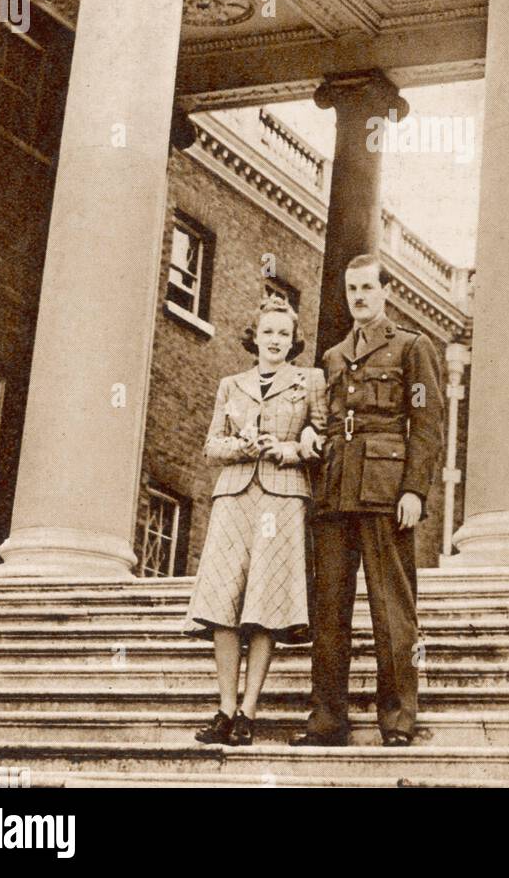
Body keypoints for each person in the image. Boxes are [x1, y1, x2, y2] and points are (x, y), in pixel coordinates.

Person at [290, 254, 445, 747]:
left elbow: (427, 425)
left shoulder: (412, 348)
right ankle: (326, 720)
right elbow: (328, 418)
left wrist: (415, 490)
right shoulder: (334, 357)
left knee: (392, 609)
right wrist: (314, 435)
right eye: (351, 289)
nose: (358, 297)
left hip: (385, 491)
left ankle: (398, 719)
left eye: (366, 288)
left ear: (384, 292)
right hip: (336, 489)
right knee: (329, 608)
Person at [186, 293, 326, 746]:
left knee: (264, 604)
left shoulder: (311, 382)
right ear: (255, 336)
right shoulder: (231, 384)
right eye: (267, 332)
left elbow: (321, 440)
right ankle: (224, 708)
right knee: (224, 604)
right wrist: (240, 447)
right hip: (234, 498)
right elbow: (211, 446)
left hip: (282, 500)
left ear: (293, 340)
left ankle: (249, 711)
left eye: (284, 334)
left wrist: (289, 449)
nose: (275, 340)